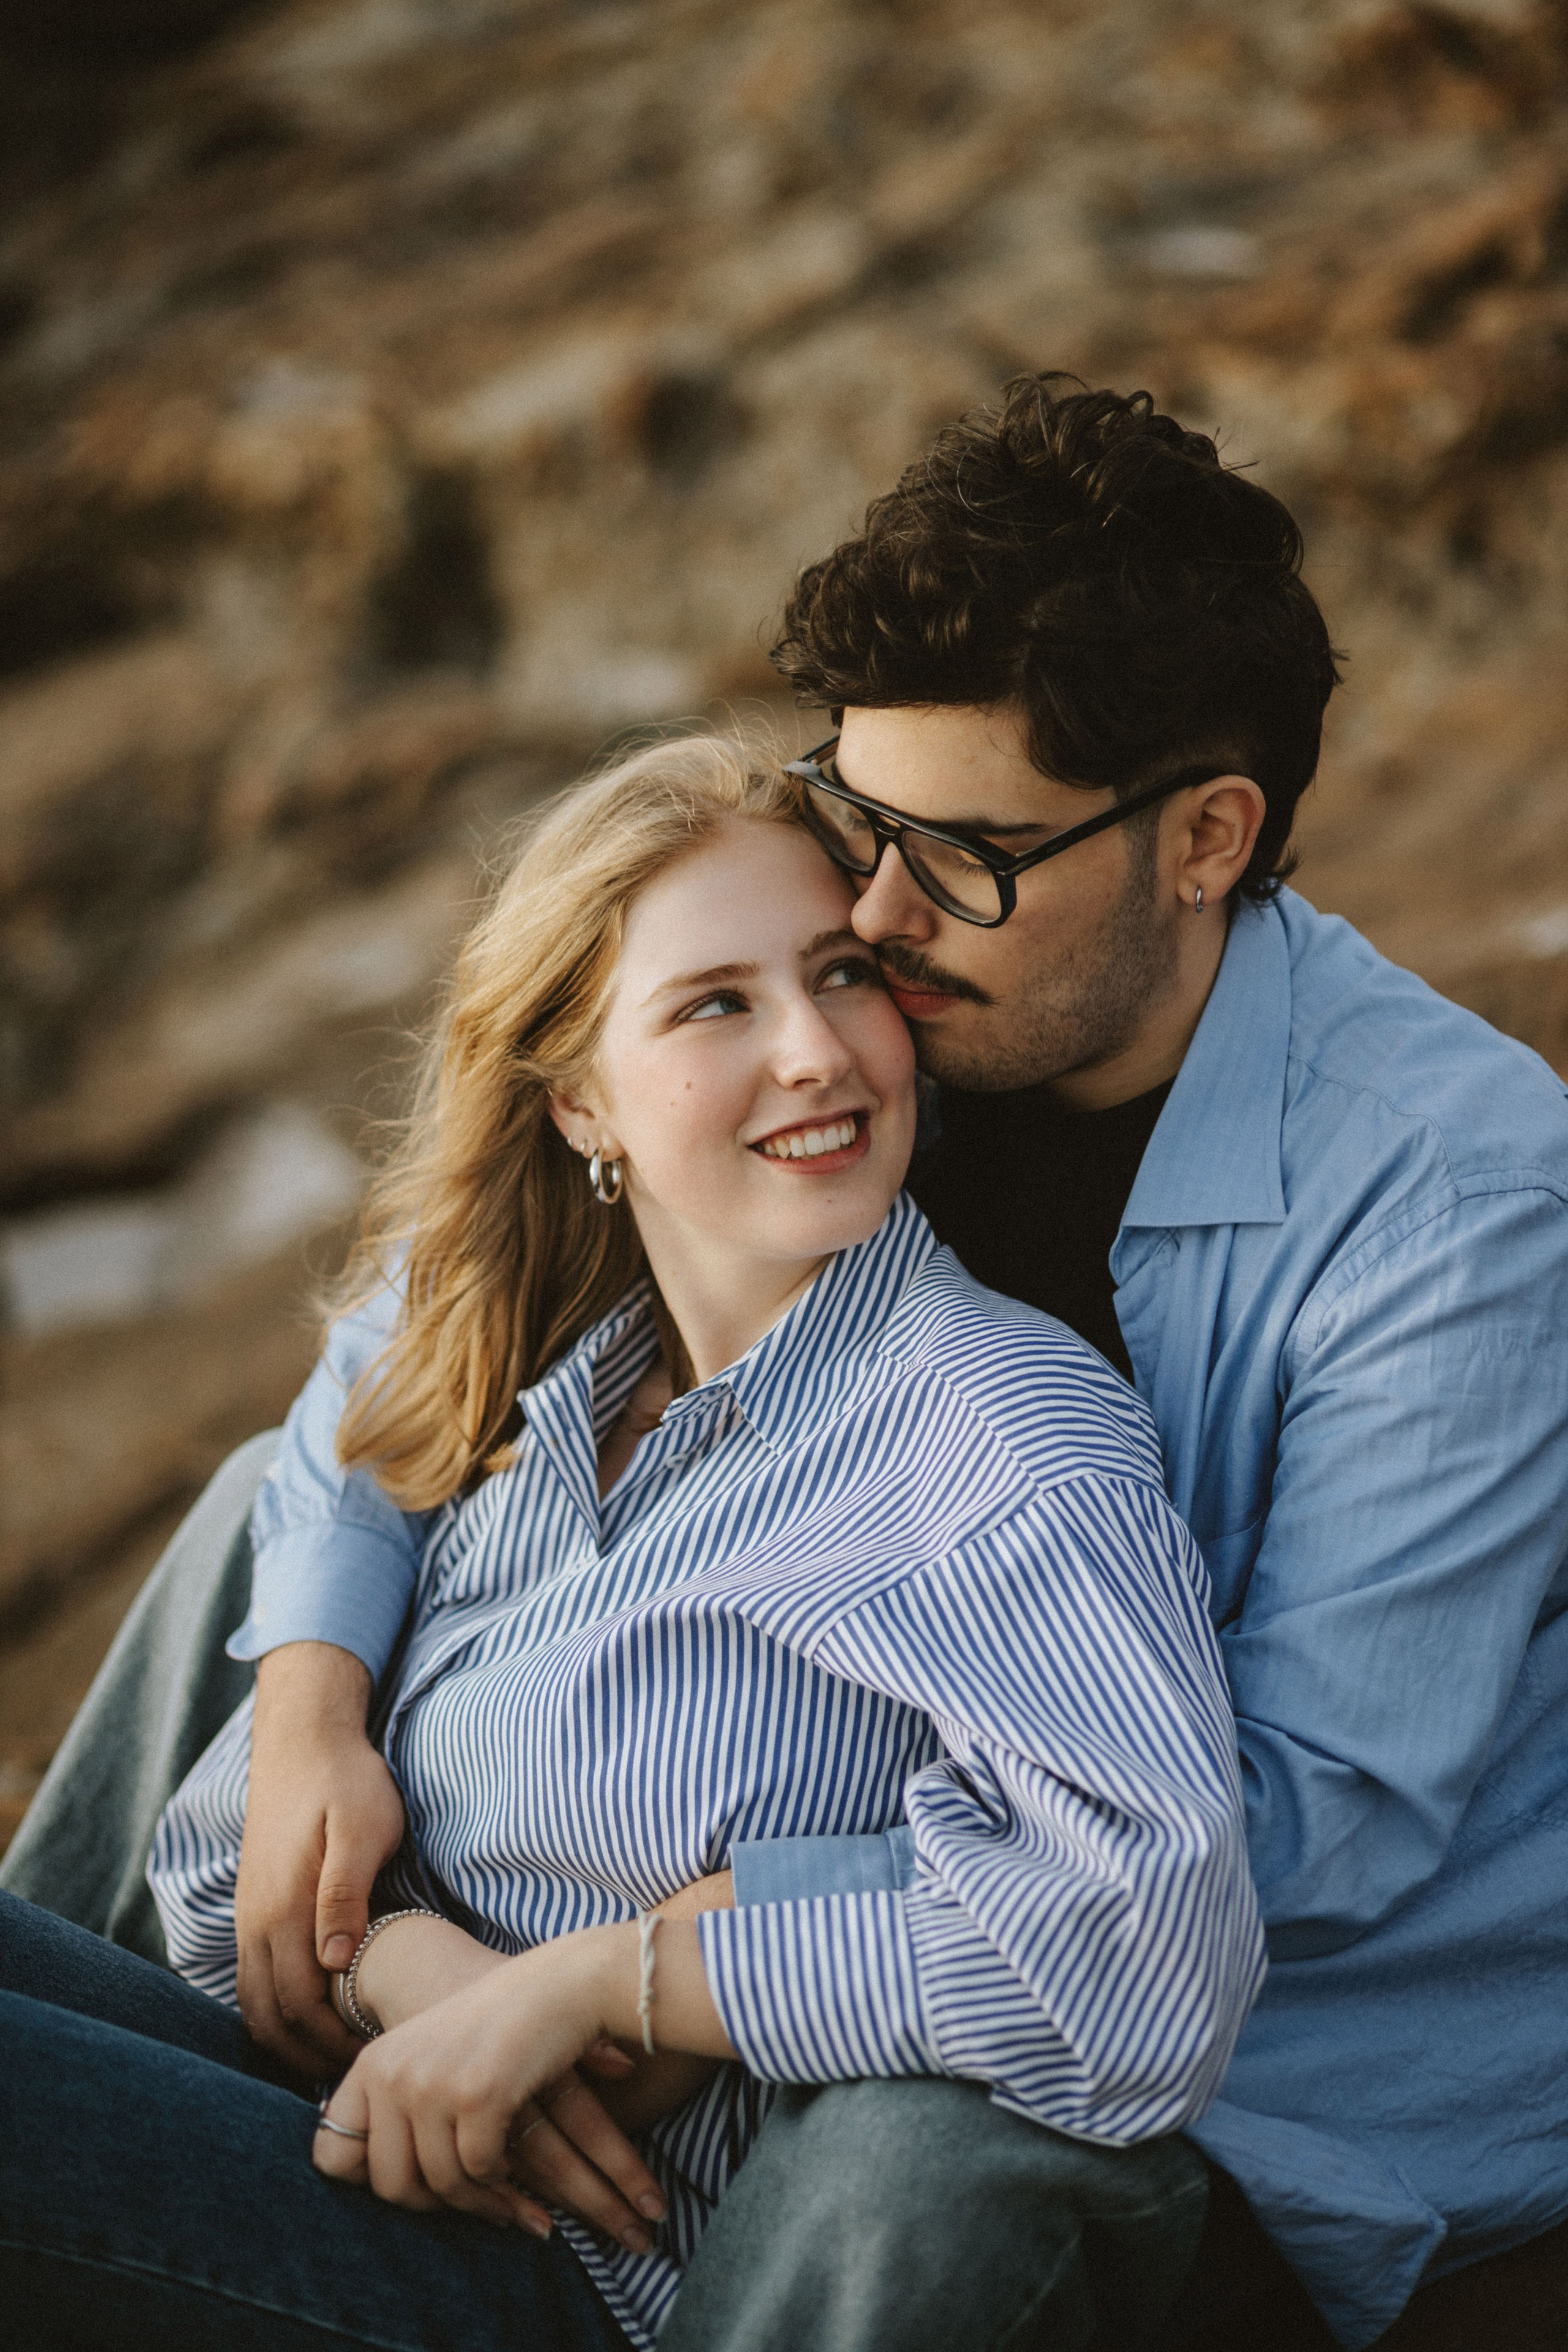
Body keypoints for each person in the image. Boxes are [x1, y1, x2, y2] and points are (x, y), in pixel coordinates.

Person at [7, 373, 1567, 2348]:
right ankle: (179, 2061)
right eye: (860, 815)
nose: (881, 921)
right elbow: (437, 1313)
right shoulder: (914, 1006)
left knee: (918, 2168)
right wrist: (318, 1703)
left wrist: (651, 1951)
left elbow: (1282, 1826)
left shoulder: (1451, 1203)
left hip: (1255, 2050)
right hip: (713, 1894)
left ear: (1208, 837)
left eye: (969, 854)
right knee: (275, 1528)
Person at [0, 736, 1262, 2352]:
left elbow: (1145, 1953)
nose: (815, 1052)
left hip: (574, 2279)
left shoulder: (996, 1443)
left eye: (838, 977)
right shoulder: (553, 1395)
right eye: (715, 1004)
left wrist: (601, 1987)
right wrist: (408, 1963)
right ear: (581, 1098)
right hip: (330, 2110)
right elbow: (204, 1863)